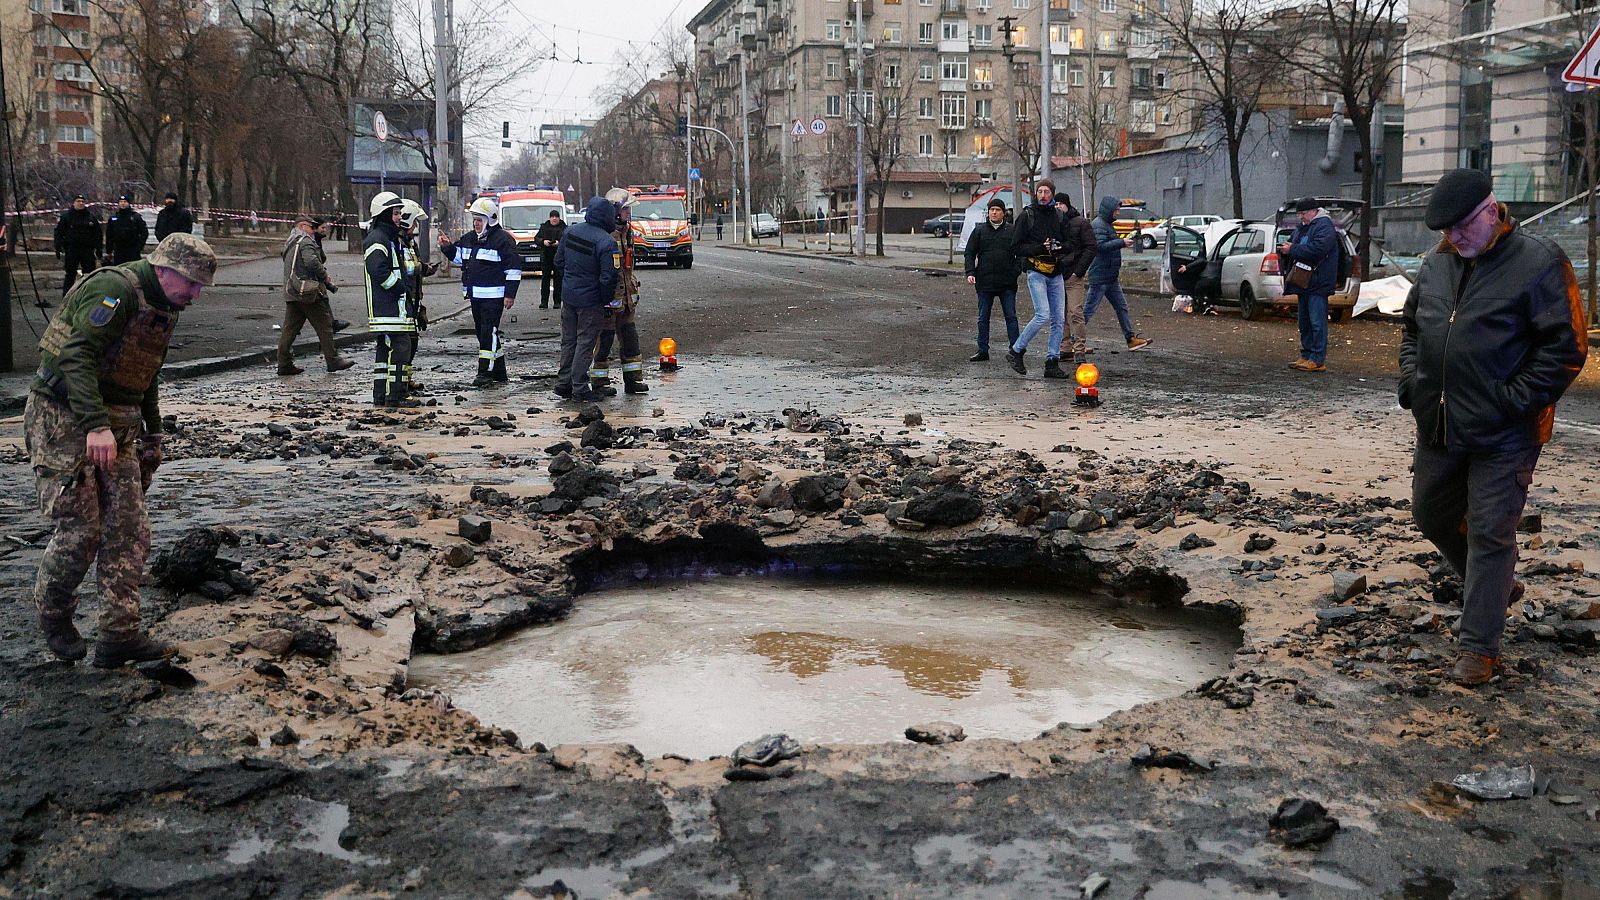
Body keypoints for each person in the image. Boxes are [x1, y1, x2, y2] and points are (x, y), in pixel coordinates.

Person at [1400, 169, 1588, 687]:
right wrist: (1411, 384)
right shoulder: (1437, 263)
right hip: (1439, 420)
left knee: (1489, 531)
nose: (1453, 238)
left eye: (1461, 227)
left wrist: (1511, 402)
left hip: (1508, 433)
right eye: (1445, 230)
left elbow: (1567, 349)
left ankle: (1478, 648)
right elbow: (1413, 328)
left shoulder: (1539, 261)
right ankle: (1495, 586)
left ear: (1491, 209)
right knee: (1431, 514)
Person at [27, 233, 216, 666]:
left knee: (130, 529)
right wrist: (95, 427)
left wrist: (154, 432)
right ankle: (54, 613)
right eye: (192, 284)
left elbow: (146, 370)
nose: (196, 295)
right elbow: (76, 357)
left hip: (120, 420)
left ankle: (119, 634)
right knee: (81, 530)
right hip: (64, 415)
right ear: (166, 270)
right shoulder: (115, 290)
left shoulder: (166, 304)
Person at [440, 196, 522, 387]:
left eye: (479, 220)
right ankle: (499, 371)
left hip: (494, 297)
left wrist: (510, 294)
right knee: (483, 333)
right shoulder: (470, 238)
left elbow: (513, 270)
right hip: (475, 296)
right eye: (474, 220)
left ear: (489, 220)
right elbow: (460, 257)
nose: (476, 223)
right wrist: (447, 247)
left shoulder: (503, 240)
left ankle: (484, 372)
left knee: (488, 333)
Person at [554, 197, 620, 402]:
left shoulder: (570, 232)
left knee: (569, 341)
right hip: (591, 301)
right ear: (608, 217)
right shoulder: (607, 242)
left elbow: (559, 261)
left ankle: (563, 383)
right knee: (585, 343)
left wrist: (571, 282)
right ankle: (580, 387)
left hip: (569, 297)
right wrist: (604, 300)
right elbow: (608, 277)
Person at [1006, 179, 1069, 379]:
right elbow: (1015, 247)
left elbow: (1069, 243)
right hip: (1035, 270)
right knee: (1043, 314)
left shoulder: (1059, 216)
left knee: (1059, 319)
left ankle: (1052, 361)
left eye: (1047, 192)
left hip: (1056, 271)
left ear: (1053, 194)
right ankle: (1016, 350)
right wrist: (1040, 247)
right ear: (1035, 194)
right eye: (1040, 191)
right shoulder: (1027, 216)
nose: (1043, 195)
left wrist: (1059, 247)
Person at [278, 214, 354, 376]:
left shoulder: (290, 241)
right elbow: (312, 262)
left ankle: (284, 363)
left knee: (290, 330)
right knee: (325, 326)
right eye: (311, 227)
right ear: (302, 226)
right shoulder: (305, 241)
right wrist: (324, 276)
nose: (313, 230)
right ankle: (333, 360)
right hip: (308, 292)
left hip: (292, 291)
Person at [589, 188, 648, 396]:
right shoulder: (604, 235)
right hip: (609, 299)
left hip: (627, 299)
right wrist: (604, 299)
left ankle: (633, 380)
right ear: (615, 211)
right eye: (625, 210)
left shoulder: (628, 232)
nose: (628, 214)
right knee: (604, 341)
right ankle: (599, 382)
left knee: (630, 340)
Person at [364, 191, 419, 408]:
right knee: (398, 352)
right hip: (389, 309)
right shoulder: (378, 239)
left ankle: (383, 396)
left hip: (393, 310)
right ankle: (394, 396)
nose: (399, 217)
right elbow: (378, 270)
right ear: (385, 214)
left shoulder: (386, 237)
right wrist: (399, 288)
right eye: (396, 213)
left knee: (388, 353)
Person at [1278, 198, 1340, 373]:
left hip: (1318, 281)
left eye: (1303, 213)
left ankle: (1317, 358)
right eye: (1299, 214)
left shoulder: (1324, 226)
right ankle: (1306, 355)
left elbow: (1318, 249)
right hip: (1304, 281)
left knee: (1317, 321)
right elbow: (1295, 243)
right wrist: (1286, 248)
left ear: (1313, 211)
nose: (1301, 217)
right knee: (1304, 321)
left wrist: (1293, 249)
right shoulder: (1304, 227)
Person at [1083, 196, 1152, 353]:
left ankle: (1130, 339)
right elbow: (1100, 246)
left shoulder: (1105, 225)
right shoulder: (1098, 225)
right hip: (1101, 277)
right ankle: (1073, 341)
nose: (1118, 212)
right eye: (1116, 210)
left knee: (1122, 307)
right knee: (1089, 309)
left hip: (1110, 276)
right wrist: (1122, 242)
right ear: (1109, 210)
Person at [963, 197, 1020, 362]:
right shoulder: (979, 231)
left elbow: (1021, 253)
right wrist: (970, 272)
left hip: (1007, 283)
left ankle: (1015, 350)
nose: (994, 213)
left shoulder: (1012, 231)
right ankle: (982, 350)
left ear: (1004, 213)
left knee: (1011, 317)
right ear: (988, 213)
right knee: (983, 318)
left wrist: (1015, 271)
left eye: (997, 210)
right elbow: (969, 252)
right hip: (985, 282)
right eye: (991, 210)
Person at [397, 200, 438, 392]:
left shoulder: (409, 242)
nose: (415, 227)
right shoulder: (398, 242)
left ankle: (406, 378)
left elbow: (414, 265)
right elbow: (407, 267)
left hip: (412, 298)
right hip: (403, 300)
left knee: (412, 342)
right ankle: (401, 381)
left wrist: (426, 269)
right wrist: (423, 267)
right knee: (407, 342)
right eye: (414, 222)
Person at [1057, 193, 1096, 361]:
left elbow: (1091, 247)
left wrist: (1078, 271)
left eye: (1060, 203)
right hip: (1057, 274)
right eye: (1055, 203)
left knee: (1075, 312)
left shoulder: (1081, 223)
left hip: (1073, 276)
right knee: (1060, 314)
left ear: (1067, 204)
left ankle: (1079, 349)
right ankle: (1065, 348)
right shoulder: (1053, 223)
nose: (1057, 206)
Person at [53, 195, 102, 302]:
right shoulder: (66, 217)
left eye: (82, 201)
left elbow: (97, 234)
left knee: (89, 275)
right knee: (70, 274)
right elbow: (58, 232)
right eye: (78, 201)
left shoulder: (90, 217)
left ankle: (89, 296)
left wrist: (99, 249)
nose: (80, 203)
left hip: (87, 250)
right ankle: (67, 297)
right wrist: (58, 247)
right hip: (72, 250)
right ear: (73, 203)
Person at [533, 209, 567, 309]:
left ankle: (557, 302)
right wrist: (543, 242)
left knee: (558, 280)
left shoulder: (564, 228)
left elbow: (567, 240)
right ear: (549, 218)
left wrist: (559, 243)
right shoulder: (544, 227)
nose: (554, 218)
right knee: (545, 280)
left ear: (559, 218)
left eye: (556, 216)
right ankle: (544, 302)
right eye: (552, 217)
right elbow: (536, 238)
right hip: (546, 256)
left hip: (559, 257)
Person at [104, 195, 148, 265]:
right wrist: (109, 250)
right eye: (121, 202)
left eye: (125, 202)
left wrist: (139, 247)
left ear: (128, 203)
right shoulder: (114, 218)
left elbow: (144, 232)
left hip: (133, 250)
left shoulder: (135, 217)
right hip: (119, 251)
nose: (123, 203)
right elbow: (109, 235)